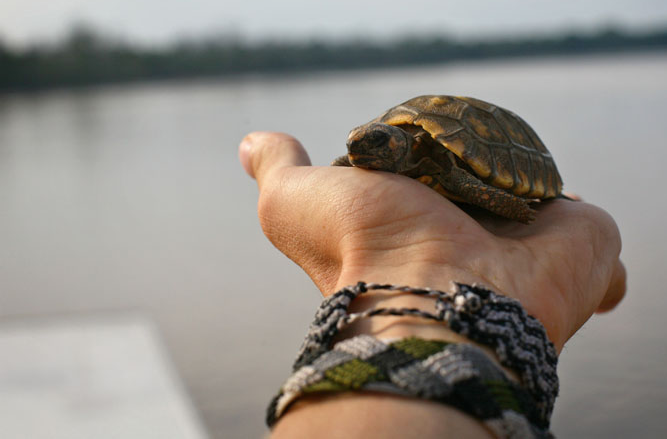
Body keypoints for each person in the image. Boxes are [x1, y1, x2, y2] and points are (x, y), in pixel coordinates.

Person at [239, 131, 627, 438]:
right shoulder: (372, 159)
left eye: (373, 143)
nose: (357, 152)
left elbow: (466, 180)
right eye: (354, 147)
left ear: (402, 144)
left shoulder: (440, 159)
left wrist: (514, 207)